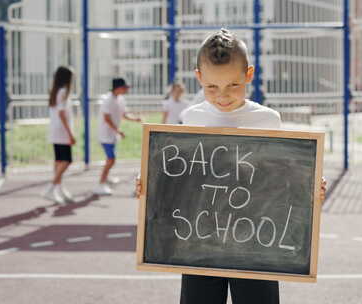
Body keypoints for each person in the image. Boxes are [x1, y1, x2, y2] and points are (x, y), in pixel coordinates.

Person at [136, 28, 327, 304]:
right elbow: (174, 181)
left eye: (233, 86)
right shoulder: (191, 118)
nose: (222, 96)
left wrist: (311, 190)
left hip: (257, 245)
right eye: (212, 87)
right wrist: (149, 183)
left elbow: (286, 184)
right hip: (198, 243)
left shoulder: (268, 120)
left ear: (249, 74)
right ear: (198, 77)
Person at [94, 77, 142, 196]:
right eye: (125, 87)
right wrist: (118, 131)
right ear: (119, 88)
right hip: (105, 134)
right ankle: (100, 184)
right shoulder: (108, 100)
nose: (127, 89)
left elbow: (123, 114)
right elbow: (106, 118)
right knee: (111, 159)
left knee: (110, 159)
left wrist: (135, 119)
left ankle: (106, 178)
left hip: (112, 135)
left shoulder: (120, 99)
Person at [42, 66, 76, 205]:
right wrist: (70, 133)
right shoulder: (62, 92)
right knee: (67, 161)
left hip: (56, 130)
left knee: (59, 161)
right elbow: (62, 114)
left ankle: (58, 188)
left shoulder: (55, 91)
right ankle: (51, 187)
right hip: (61, 131)